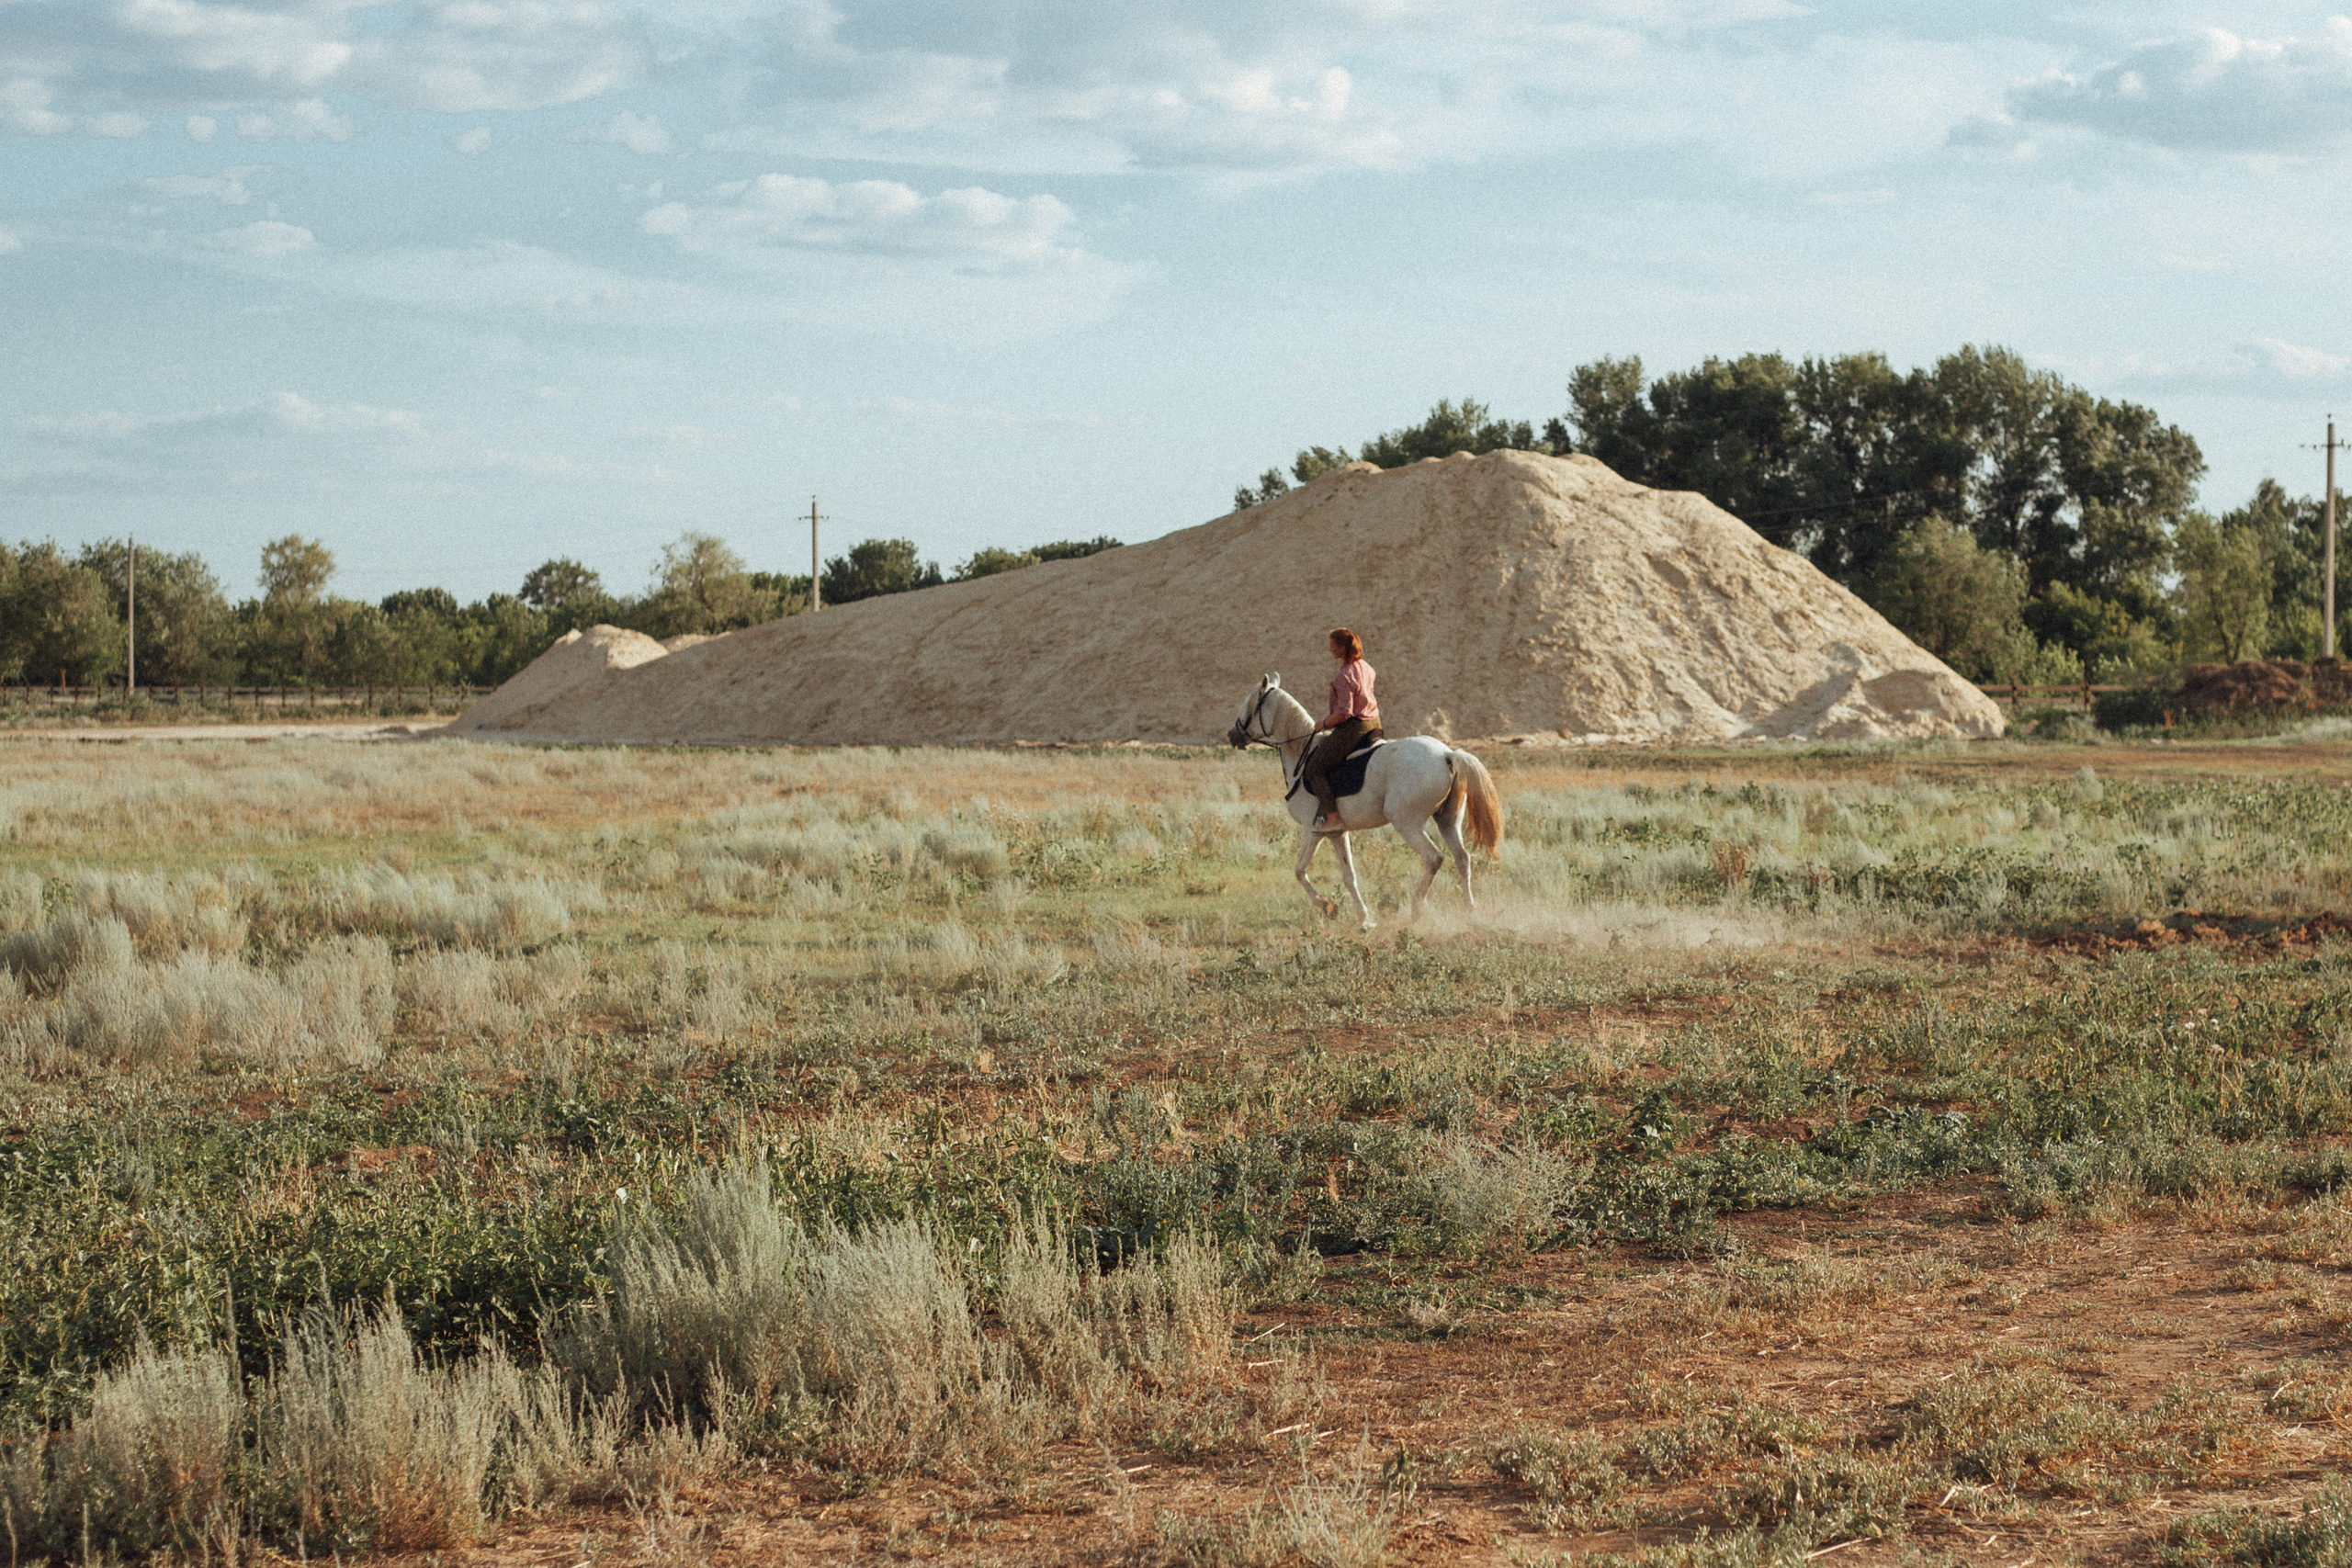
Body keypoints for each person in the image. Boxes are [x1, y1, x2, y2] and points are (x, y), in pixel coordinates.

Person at [1304, 627, 1381, 830]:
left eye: (1333, 646)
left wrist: (1323, 724)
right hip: (1374, 723)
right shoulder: (1366, 666)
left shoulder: (1344, 676)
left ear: (1343, 648)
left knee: (1314, 769)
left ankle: (1332, 818)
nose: (1330, 650)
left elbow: (1344, 713)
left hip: (1354, 727)